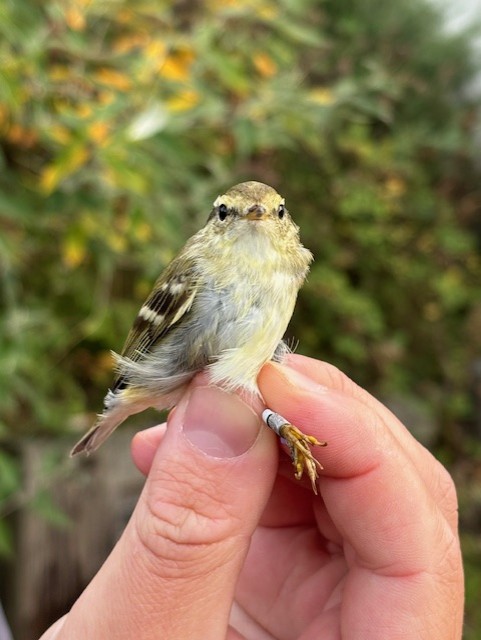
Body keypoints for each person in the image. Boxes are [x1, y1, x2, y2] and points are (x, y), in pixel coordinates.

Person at [40, 355, 464, 639]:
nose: (258, 215)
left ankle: (285, 430)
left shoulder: (286, 266)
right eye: (227, 212)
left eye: (277, 210)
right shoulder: (205, 264)